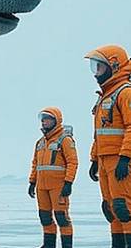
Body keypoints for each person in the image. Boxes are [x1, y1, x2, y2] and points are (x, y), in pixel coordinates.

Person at [87, 45, 131, 248]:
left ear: (113, 65)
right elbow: (99, 134)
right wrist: (94, 159)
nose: (96, 73)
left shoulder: (125, 93)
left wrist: (125, 158)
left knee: (124, 208)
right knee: (110, 208)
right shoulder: (104, 96)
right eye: (94, 67)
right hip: (105, 160)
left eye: (99, 67)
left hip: (120, 160)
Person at [30, 106, 77, 248]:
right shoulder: (40, 143)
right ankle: (48, 245)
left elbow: (72, 162)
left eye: (47, 119)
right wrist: (32, 182)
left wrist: (68, 183)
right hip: (42, 187)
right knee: (45, 217)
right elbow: (35, 164)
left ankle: (67, 246)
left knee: (61, 217)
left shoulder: (65, 140)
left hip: (58, 186)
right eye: (43, 119)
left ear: (56, 120)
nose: (44, 122)